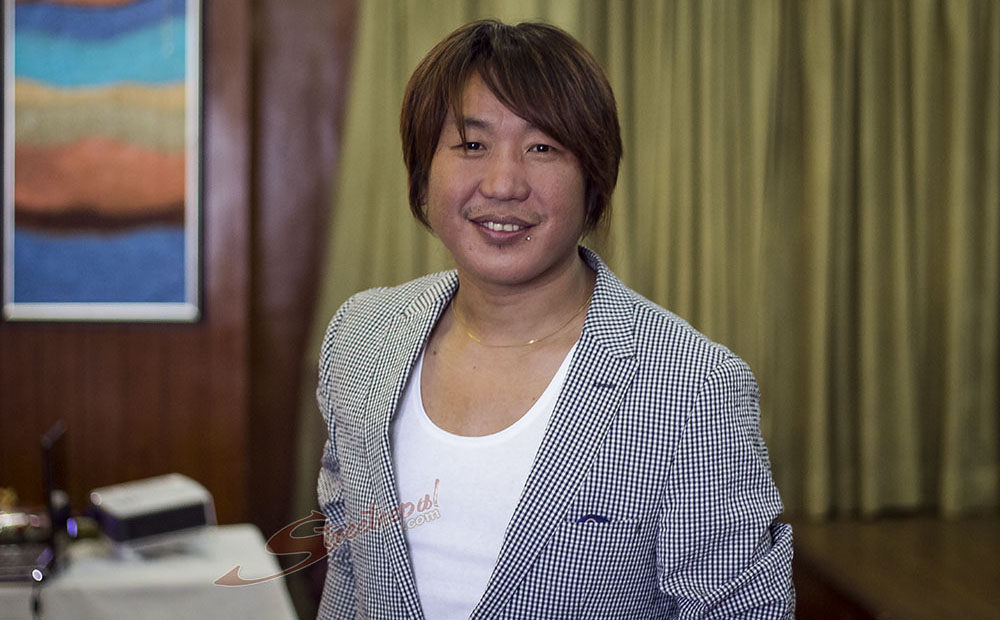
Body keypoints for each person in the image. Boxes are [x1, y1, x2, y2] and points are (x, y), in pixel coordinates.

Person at [316, 19, 794, 620]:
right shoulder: (361, 336)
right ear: (422, 172)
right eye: (471, 145)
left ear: (593, 179)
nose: (503, 183)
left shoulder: (692, 387)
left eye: (543, 148)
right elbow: (348, 567)